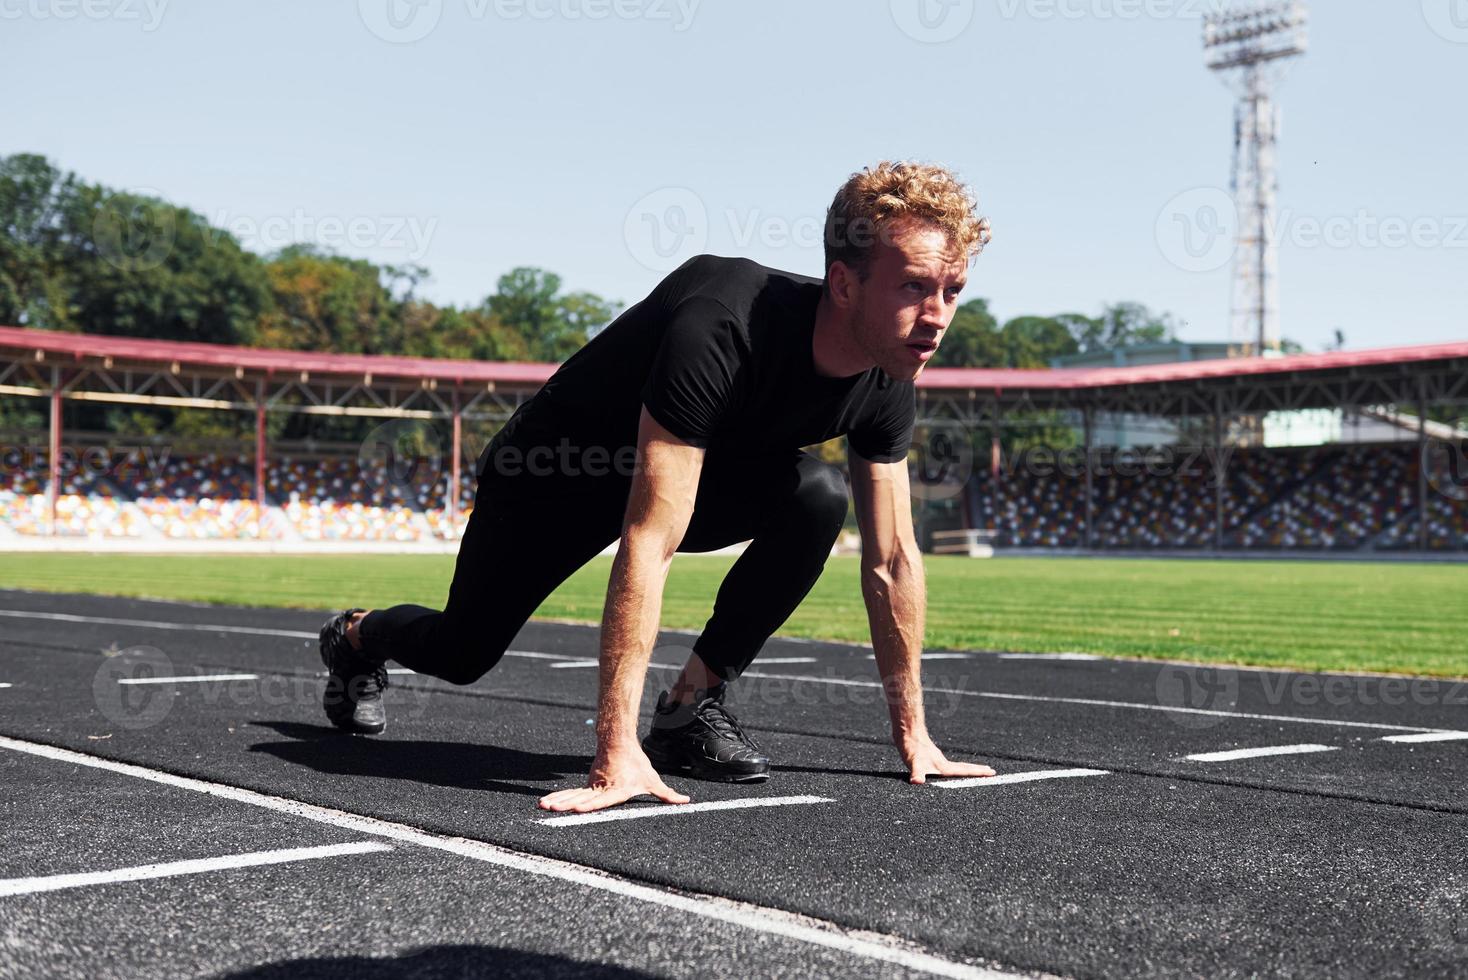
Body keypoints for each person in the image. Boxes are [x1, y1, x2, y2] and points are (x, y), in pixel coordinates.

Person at [317, 160, 998, 814]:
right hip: (553, 477)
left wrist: (915, 736)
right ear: (845, 285)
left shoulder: (890, 372)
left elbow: (893, 560)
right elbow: (651, 539)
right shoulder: (724, 320)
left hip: (692, 479)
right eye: (914, 287)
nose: (937, 315)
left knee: (815, 496)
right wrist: (613, 753)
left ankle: (687, 710)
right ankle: (355, 637)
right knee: (462, 652)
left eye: (952, 291)